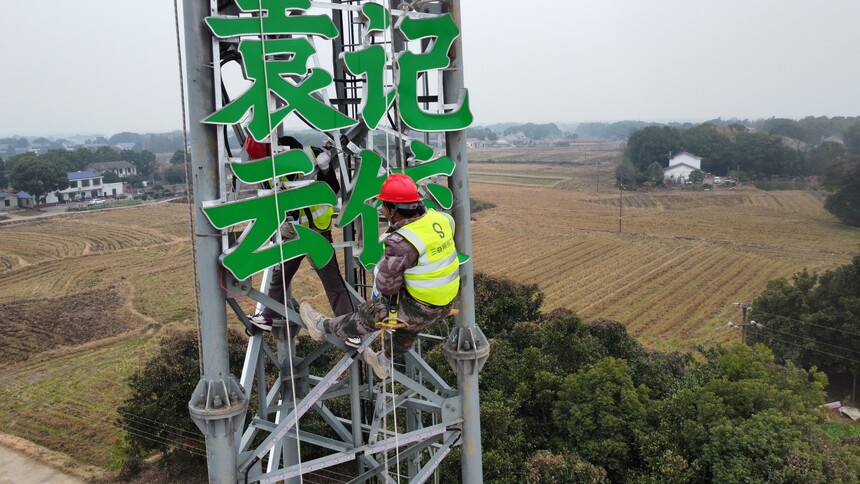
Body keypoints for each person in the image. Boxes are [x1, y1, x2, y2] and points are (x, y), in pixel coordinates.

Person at [300, 173, 460, 379]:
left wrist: (383, 271)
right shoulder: (443, 219)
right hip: (445, 303)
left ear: (392, 210)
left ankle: (320, 326)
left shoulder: (402, 242)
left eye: (384, 206)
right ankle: (384, 362)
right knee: (408, 328)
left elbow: (387, 286)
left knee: (369, 315)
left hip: (420, 308)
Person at [247, 135, 354, 330]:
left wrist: (325, 170)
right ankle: (269, 315)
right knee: (280, 275)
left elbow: (333, 189)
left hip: (317, 232)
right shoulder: (269, 171)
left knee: (331, 280)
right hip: (294, 232)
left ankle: (349, 326)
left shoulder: (313, 155)